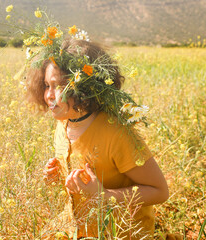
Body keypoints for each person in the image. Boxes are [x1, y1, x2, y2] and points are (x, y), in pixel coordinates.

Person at [25, 37, 169, 239]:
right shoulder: (63, 123)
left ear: (84, 88)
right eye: (47, 85)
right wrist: (57, 175)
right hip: (79, 229)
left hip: (120, 232)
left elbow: (160, 191)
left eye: (58, 86)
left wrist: (104, 196)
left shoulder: (117, 133)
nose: (49, 94)